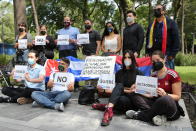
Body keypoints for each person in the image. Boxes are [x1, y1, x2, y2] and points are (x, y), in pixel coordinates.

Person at [126, 50, 184, 126]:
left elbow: (178, 96)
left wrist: (165, 94)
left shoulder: (173, 75)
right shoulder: (153, 75)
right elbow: (150, 95)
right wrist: (138, 89)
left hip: (170, 106)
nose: (155, 63)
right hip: (155, 103)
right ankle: (157, 115)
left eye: (158, 60)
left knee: (165, 99)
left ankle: (140, 115)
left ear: (164, 60)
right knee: (134, 94)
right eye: (153, 61)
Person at [92, 50, 143, 126]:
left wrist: (129, 90)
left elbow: (141, 91)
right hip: (120, 98)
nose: (127, 59)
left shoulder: (139, 73)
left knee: (119, 89)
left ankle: (106, 107)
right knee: (119, 90)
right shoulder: (119, 73)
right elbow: (114, 89)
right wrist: (103, 90)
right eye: (125, 57)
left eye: (129, 57)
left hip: (131, 100)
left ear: (132, 59)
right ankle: (109, 111)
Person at [145, 4, 180, 69]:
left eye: (158, 9)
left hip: (167, 54)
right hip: (154, 55)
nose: (156, 11)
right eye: (155, 10)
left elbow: (176, 39)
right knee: (154, 75)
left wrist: (172, 54)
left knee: (167, 75)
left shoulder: (171, 23)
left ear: (163, 11)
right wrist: (147, 52)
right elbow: (148, 39)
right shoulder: (151, 25)